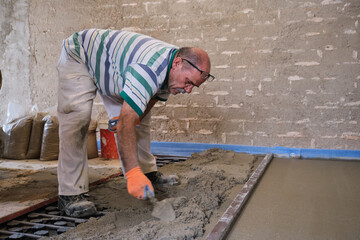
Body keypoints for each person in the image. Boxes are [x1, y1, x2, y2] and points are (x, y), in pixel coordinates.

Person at [56, 28, 214, 218]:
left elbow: (149, 101)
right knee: (77, 119)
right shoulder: (149, 69)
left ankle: (146, 173)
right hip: (82, 56)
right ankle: (71, 193)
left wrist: (132, 118)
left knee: (139, 119)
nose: (188, 90)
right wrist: (131, 172)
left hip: (116, 69)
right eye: (188, 82)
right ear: (178, 63)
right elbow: (125, 124)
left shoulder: (172, 72)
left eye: (193, 86)